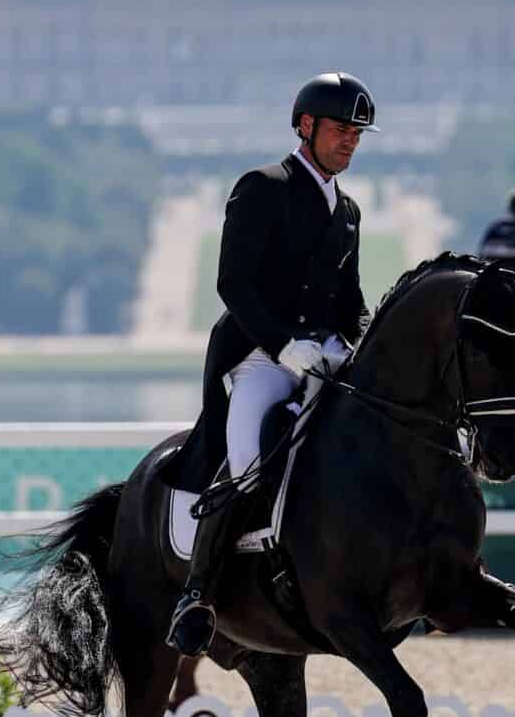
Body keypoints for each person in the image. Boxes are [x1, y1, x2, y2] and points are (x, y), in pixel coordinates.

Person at [161, 71, 376, 656]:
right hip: (261, 357)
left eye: (357, 134)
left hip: (324, 357)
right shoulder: (263, 186)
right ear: (305, 127)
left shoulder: (349, 209)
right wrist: (284, 344)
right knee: (249, 463)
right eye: (340, 130)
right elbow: (233, 281)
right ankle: (199, 597)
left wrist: (356, 345)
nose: (350, 141)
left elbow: (352, 299)